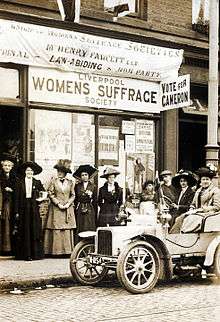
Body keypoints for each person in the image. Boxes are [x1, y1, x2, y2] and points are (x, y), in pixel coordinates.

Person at [170, 166, 220, 234]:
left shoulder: (215, 191)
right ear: (201, 181)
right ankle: (176, 237)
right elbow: (193, 204)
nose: (205, 181)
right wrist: (191, 209)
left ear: (210, 181)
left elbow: (217, 207)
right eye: (203, 179)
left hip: (208, 214)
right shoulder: (198, 191)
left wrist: (202, 209)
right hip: (197, 213)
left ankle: (181, 236)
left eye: (207, 179)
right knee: (180, 218)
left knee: (187, 220)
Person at [44, 159, 76, 256]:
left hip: (67, 208)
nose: (59, 173)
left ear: (65, 173)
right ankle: (55, 251)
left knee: (66, 229)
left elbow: (73, 195)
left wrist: (68, 204)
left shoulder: (70, 182)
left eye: (61, 172)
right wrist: (58, 203)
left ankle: (67, 251)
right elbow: (50, 193)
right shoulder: (53, 182)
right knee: (56, 228)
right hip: (56, 208)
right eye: (58, 171)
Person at [14, 161, 45, 260]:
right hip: (23, 208)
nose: (29, 172)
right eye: (27, 170)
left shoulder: (37, 182)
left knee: (34, 230)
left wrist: (39, 199)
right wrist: (16, 212)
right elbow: (16, 198)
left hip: (33, 208)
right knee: (24, 230)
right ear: (24, 171)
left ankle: (34, 254)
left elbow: (44, 193)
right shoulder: (19, 182)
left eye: (31, 171)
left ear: (34, 172)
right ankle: (24, 254)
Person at [73, 164, 98, 243]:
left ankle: (90, 245)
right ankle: (79, 245)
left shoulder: (93, 186)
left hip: (89, 208)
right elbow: (75, 199)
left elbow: (95, 200)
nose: (84, 176)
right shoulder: (77, 186)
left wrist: (95, 212)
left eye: (86, 175)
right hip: (80, 207)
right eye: (82, 175)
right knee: (80, 225)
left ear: (89, 176)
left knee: (89, 226)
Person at [0, 153, 17, 255]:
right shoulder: (0, 176)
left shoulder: (15, 177)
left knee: (11, 223)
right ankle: (3, 248)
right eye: (5, 166)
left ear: (12, 167)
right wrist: (4, 189)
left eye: (9, 166)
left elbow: (18, 190)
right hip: (3, 202)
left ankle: (10, 248)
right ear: (2, 166)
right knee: (4, 224)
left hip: (12, 203)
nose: (7, 167)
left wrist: (12, 190)